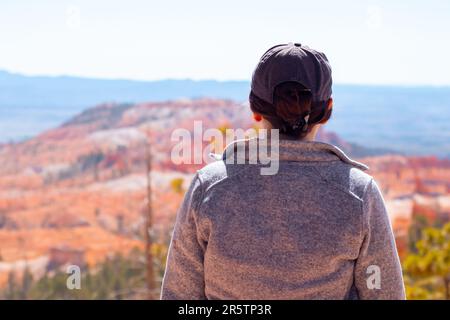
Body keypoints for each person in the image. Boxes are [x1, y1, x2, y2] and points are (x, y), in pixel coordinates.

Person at [161, 43, 405, 299]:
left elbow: (180, 296)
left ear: (255, 111)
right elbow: (384, 293)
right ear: (327, 111)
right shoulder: (358, 194)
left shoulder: (209, 187)